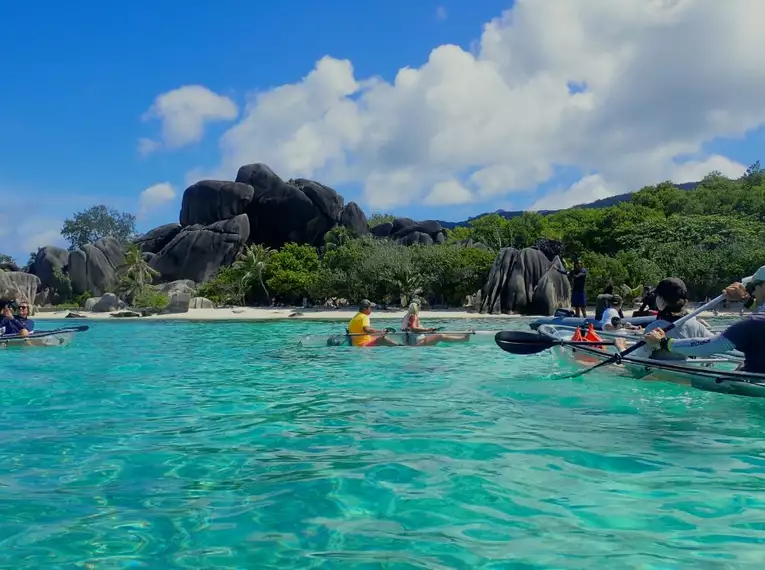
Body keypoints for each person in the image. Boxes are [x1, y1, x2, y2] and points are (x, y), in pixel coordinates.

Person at [643, 266, 765, 373]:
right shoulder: (697, 325)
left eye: (755, 286)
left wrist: (664, 342)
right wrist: (746, 300)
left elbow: (711, 346)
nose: (753, 291)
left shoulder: (752, 324)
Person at [632, 277, 713, 360]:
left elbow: (638, 358)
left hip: (660, 372)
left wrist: (622, 348)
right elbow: (714, 345)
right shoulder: (697, 326)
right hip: (691, 370)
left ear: (661, 301)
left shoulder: (653, 328)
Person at [400, 301, 472, 346]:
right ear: (417, 308)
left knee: (438, 334)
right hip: (418, 343)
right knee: (441, 336)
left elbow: (407, 330)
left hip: (409, 344)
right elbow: (413, 329)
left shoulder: (406, 317)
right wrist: (428, 330)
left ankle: (460, 336)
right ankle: (463, 339)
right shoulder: (414, 316)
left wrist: (428, 330)